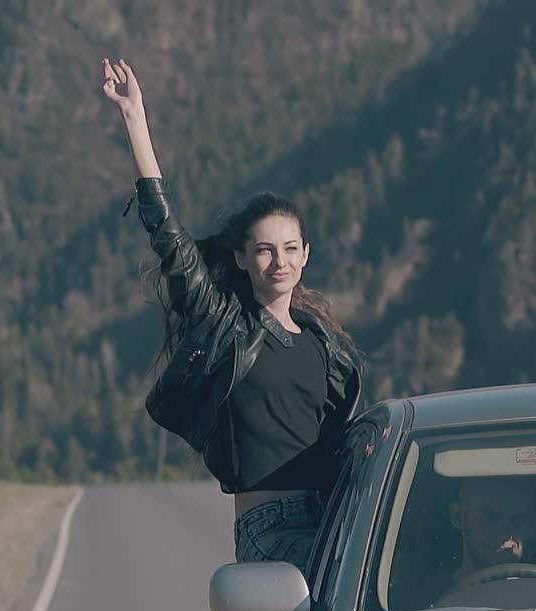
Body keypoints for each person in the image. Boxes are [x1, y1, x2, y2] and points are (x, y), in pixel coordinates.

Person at [100, 57, 364, 571]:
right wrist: (135, 118)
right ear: (241, 259)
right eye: (265, 250)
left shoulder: (324, 346)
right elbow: (168, 236)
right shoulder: (223, 325)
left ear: (306, 254)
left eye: (290, 248)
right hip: (271, 531)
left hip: (336, 521)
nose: (279, 260)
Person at [446, 478, 536, 588]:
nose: (503, 534)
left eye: (517, 520)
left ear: (533, 525)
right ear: (458, 517)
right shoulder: (433, 601)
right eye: (489, 517)